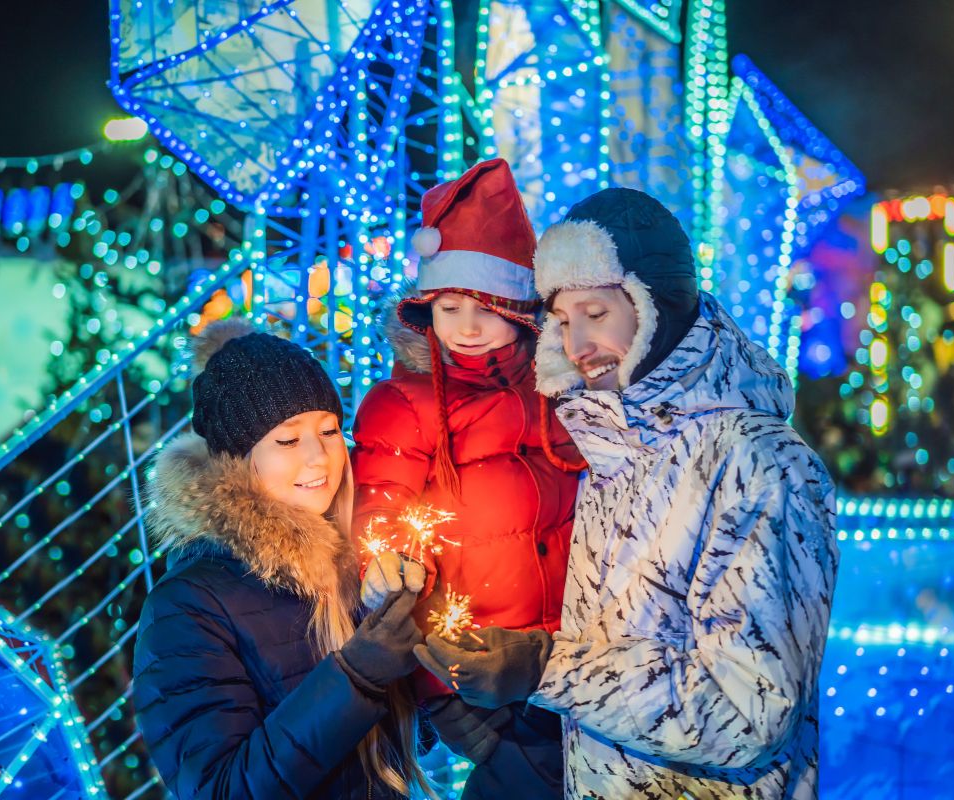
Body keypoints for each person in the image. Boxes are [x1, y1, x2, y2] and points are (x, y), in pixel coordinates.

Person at [414, 188, 840, 799]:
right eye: (562, 322)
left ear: (655, 305)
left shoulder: (759, 463)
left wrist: (544, 666)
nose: (579, 345)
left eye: (596, 313)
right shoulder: (611, 452)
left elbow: (750, 709)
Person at [351, 158, 583, 797]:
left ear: (519, 309)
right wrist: (385, 564)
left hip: (564, 664)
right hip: (471, 676)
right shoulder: (406, 403)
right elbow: (382, 510)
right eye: (451, 308)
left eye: (486, 308)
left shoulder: (556, 391)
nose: (468, 328)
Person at [133, 319, 431, 799]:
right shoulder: (185, 606)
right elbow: (220, 789)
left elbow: (391, 750)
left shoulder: (359, 561)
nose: (319, 457)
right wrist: (355, 678)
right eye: (288, 440)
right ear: (234, 458)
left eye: (330, 430)